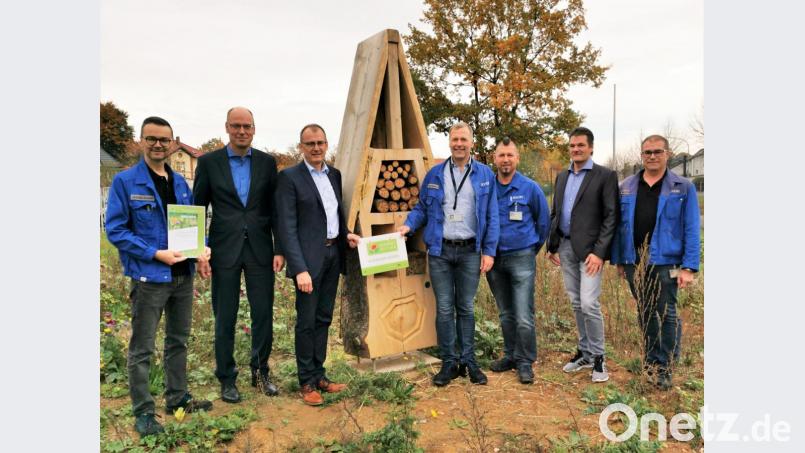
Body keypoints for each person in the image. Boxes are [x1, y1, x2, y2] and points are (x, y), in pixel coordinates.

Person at [105, 116, 212, 437]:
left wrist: (201, 251)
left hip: (182, 275)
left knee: (177, 341)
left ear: (171, 143)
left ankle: (177, 399)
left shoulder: (180, 182)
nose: (158, 144)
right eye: (151, 138)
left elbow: (190, 226)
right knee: (142, 348)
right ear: (141, 141)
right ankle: (144, 413)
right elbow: (116, 230)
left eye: (164, 139)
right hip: (150, 277)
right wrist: (155, 253)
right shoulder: (126, 183)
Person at [192, 107, 284, 403]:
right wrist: (199, 252)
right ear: (227, 128)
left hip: (260, 249)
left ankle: (260, 372)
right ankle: (226, 378)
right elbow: (197, 209)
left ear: (254, 129)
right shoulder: (208, 163)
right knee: (225, 317)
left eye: (247, 126)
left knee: (263, 314)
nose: (242, 131)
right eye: (236, 126)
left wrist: (279, 248)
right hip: (223, 250)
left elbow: (276, 210)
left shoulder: (268, 163)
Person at [398, 122, 499, 387]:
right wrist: (408, 226)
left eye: (463, 139)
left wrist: (489, 252)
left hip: (470, 252)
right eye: (455, 139)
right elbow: (422, 208)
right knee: (444, 308)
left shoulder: (485, 175)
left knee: (465, 307)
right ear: (449, 142)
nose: (459, 144)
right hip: (441, 251)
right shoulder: (435, 174)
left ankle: (469, 362)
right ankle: (448, 363)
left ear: (471, 143)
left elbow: (492, 215)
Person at [274, 124, 360, 406]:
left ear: (326, 144)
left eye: (320, 142)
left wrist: (346, 234)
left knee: (323, 317)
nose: (316, 148)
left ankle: (320, 374)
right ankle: (306, 381)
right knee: (306, 321)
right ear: (301, 146)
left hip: (333, 254)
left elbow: (336, 214)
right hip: (308, 261)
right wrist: (299, 269)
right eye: (309, 143)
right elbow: (286, 227)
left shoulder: (334, 174)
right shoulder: (289, 178)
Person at [611, 135, 700, 390]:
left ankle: (667, 366)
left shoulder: (682, 187)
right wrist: (620, 259)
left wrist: (689, 266)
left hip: (666, 261)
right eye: (647, 152)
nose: (652, 156)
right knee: (646, 311)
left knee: (667, 314)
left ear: (667, 154)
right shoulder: (627, 186)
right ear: (642, 155)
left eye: (657, 151)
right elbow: (620, 226)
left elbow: (691, 228)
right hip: (634, 262)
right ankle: (651, 361)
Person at [546, 126, 619, 383]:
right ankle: (585, 353)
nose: (576, 149)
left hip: (590, 253)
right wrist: (552, 244)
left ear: (591, 148)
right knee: (576, 302)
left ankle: (599, 358)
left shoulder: (604, 176)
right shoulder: (563, 176)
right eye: (572, 146)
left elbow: (612, 217)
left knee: (589, 303)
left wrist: (599, 253)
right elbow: (556, 212)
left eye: (580, 146)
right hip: (565, 247)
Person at [485, 137, 549, 384]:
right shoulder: (487, 186)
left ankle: (525, 361)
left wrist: (532, 248)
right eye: (501, 155)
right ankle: (510, 355)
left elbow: (543, 223)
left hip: (522, 256)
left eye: (510, 155)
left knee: (523, 314)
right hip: (495, 258)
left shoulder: (530, 188)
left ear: (517, 158)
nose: (506, 160)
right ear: (495, 158)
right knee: (506, 313)